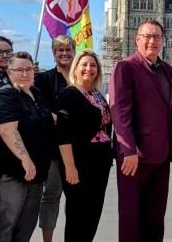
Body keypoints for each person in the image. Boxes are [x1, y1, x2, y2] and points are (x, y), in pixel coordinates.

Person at [109, 19, 172, 242]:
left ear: (162, 40)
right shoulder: (125, 67)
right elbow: (120, 112)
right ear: (137, 39)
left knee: (155, 217)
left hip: (162, 156)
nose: (152, 41)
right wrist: (128, 149)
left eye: (157, 37)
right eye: (147, 37)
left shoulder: (167, 69)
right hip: (134, 157)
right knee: (131, 217)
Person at [0, 52, 56, 242]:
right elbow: (7, 130)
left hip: (37, 174)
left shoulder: (37, 95)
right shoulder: (6, 95)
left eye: (29, 69)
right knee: (5, 224)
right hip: (14, 173)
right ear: (9, 73)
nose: (25, 73)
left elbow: (49, 119)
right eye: (19, 70)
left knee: (26, 226)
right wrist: (26, 160)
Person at [57, 50, 113, 242]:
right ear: (76, 68)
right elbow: (63, 135)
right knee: (77, 216)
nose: (89, 69)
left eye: (93, 65)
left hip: (100, 163)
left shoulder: (96, 94)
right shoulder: (70, 94)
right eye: (84, 65)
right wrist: (70, 167)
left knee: (92, 214)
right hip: (80, 164)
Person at [35, 35, 75, 242]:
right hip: (53, 150)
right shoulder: (43, 80)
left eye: (68, 50)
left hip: (79, 150)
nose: (65, 53)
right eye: (60, 50)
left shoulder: (82, 78)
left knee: (76, 200)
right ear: (54, 53)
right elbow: (43, 110)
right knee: (51, 197)